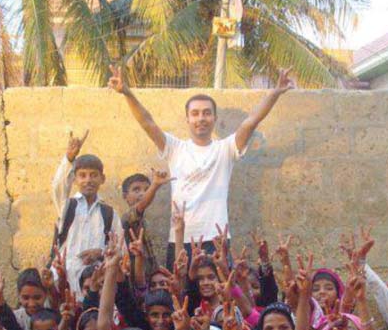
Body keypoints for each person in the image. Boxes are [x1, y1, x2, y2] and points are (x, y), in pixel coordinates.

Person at [108, 64, 295, 266]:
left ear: (214, 118)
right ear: (187, 118)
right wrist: (126, 92)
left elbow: (250, 122)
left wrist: (275, 93)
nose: (201, 118)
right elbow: (147, 123)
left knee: (219, 294)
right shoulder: (175, 148)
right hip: (180, 238)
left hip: (216, 239)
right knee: (182, 295)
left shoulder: (226, 149)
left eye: (206, 113)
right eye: (195, 113)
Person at [50, 129, 121, 297]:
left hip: (94, 282)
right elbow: (58, 187)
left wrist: (101, 252)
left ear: (102, 179)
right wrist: (69, 158)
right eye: (82, 175)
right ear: (74, 179)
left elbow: (120, 248)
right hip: (64, 279)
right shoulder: (67, 206)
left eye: (93, 175)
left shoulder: (109, 214)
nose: (88, 180)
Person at [121, 169, 174, 279]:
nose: (142, 193)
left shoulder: (151, 219)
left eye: (147, 189)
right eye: (136, 190)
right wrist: (154, 186)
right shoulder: (127, 217)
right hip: (137, 278)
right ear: (125, 196)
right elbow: (140, 206)